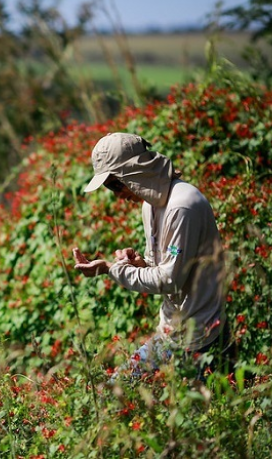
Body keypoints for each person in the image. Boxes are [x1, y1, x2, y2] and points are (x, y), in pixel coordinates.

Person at [72, 132, 230, 380]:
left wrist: (111, 269)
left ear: (133, 172)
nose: (116, 194)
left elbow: (169, 280)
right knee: (116, 390)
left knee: (198, 416)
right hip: (171, 333)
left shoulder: (182, 206)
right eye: (108, 187)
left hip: (201, 341)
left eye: (115, 184)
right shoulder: (150, 205)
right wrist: (138, 263)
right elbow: (162, 267)